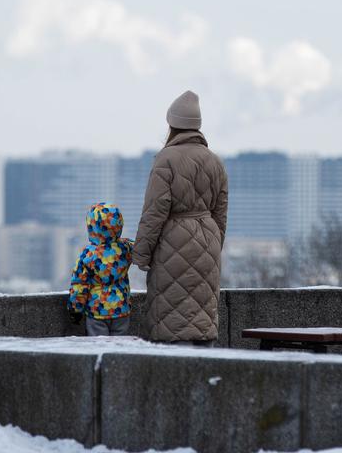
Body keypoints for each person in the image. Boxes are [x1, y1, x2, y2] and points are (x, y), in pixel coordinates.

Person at [133, 90, 228, 345]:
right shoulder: (214, 161)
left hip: (172, 241)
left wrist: (141, 253)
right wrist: (214, 243)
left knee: (172, 318)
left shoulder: (166, 158)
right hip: (207, 242)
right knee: (202, 314)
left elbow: (155, 210)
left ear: (172, 125)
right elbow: (221, 212)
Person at [67, 203, 134, 336]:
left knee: (98, 346)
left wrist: (75, 308)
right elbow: (143, 249)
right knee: (120, 348)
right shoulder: (126, 247)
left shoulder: (88, 254)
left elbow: (79, 284)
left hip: (97, 311)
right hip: (121, 309)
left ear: (92, 227)